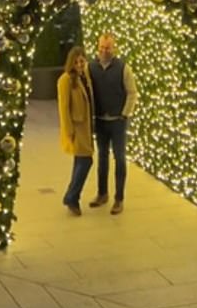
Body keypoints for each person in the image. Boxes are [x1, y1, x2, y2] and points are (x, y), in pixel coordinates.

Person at [88, 33, 138, 215]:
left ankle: (119, 198)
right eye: (101, 47)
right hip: (100, 120)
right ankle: (102, 194)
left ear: (114, 48)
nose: (104, 50)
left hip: (118, 121)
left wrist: (125, 114)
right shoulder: (90, 67)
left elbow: (132, 92)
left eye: (107, 47)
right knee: (102, 158)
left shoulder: (124, 68)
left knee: (120, 159)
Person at [57, 46, 94, 216]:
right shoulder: (65, 80)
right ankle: (71, 196)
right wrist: (69, 131)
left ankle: (72, 197)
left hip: (85, 127)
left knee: (80, 162)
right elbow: (64, 108)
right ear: (71, 62)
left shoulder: (83, 77)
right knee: (86, 161)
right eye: (76, 62)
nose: (79, 64)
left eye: (82, 61)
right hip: (77, 128)